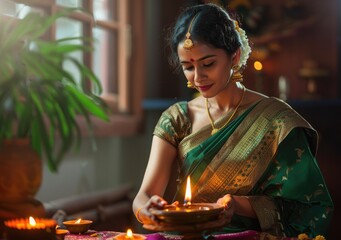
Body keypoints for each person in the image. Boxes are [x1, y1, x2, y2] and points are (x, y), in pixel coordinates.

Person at [132, 3, 333, 238]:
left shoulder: (276, 120)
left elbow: (308, 206)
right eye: (188, 67)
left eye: (208, 64)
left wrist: (238, 205)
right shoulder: (178, 118)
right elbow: (143, 196)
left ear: (234, 56)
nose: (198, 77)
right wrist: (146, 210)